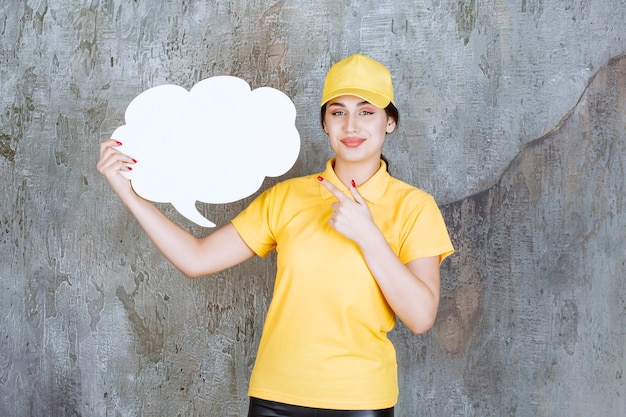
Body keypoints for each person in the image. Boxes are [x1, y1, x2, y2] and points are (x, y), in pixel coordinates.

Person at [97, 53, 454, 417]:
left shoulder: (415, 207)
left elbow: (421, 316)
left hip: (360, 401)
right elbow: (196, 259)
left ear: (389, 122)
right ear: (325, 123)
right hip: (275, 397)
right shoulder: (287, 198)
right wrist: (129, 192)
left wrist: (369, 236)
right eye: (337, 112)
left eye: (366, 112)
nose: (351, 126)